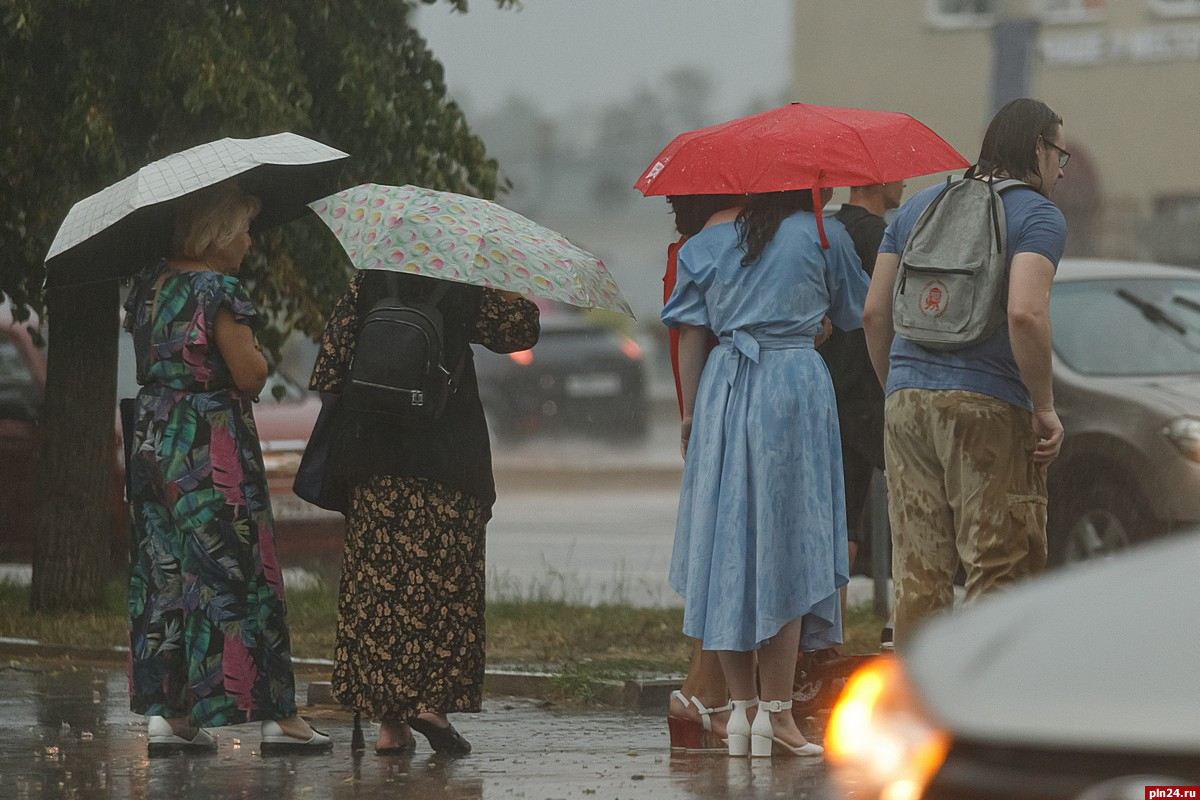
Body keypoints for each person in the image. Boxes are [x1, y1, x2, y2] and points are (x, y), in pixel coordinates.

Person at [124, 182, 330, 754]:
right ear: (216, 235)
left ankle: (171, 716)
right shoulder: (218, 290)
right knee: (234, 573)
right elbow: (248, 376)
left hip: (152, 441)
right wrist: (259, 355)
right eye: (242, 231)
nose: (247, 243)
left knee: (163, 572)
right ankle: (278, 718)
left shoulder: (148, 284)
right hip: (206, 446)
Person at [663, 189, 869, 758]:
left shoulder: (703, 241)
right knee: (788, 550)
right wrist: (810, 324)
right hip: (794, 388)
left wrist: (688, 415)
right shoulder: (822, 234)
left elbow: (690, 330)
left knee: (730, 546)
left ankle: (742, 714)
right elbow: (856, 310)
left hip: (725, 389)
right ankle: (779, 716)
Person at [862, 98, 1068, 650]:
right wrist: (1044, 406)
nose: (1061, 167)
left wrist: (900, 388)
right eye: (1059, 152)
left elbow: (874, 313)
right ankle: (987, 715)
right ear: (1035, 149)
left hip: (906, 401)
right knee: (999, 565)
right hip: (988, 404)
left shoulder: (919, 207)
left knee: (920, 572)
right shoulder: (1037, 215)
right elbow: (1025, 312)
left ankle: (919, 717)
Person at [310, 270, 539, 756]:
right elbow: (524, 330)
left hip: (374, 464)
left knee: (379, 593)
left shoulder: (367, 283)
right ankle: (432, 705)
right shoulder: (464, 286)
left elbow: (328, 370)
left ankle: (390, 727)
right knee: (444, 586)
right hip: (447, 462)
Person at [663, 193, 743, 751]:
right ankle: (701, 693)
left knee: (716, 554)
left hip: (704, 408)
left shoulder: (684, 250)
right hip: (731, 404)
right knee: (730, 558)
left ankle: (701, 693)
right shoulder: (715, 249)